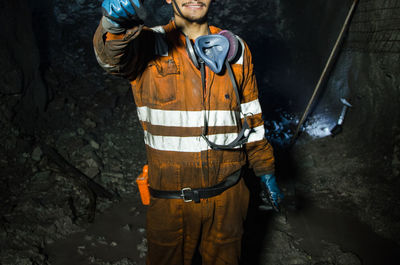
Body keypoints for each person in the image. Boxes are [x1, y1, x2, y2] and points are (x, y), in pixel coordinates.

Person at [93, 0, 283, 264]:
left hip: (228, 198)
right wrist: (112, 26)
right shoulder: (148, 43)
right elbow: (111, 59)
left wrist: (265, 169)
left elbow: (252, 116)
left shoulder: (236, 49)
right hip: (171, 202)